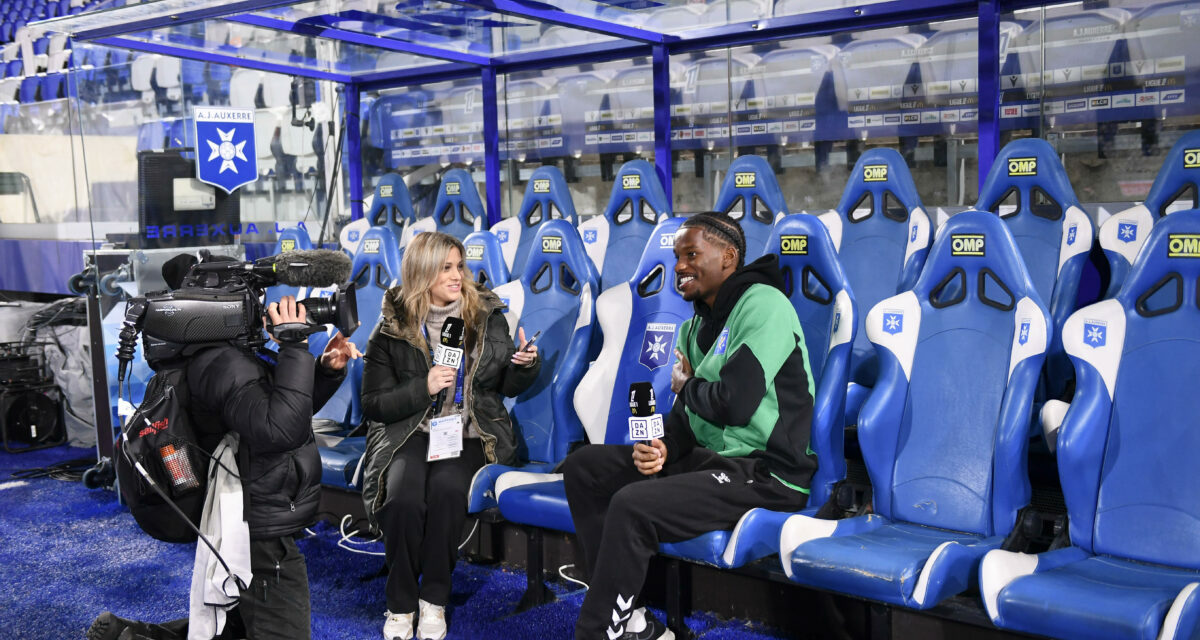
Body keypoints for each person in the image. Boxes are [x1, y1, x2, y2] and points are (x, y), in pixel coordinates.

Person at [563, 211, 816, 640]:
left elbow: (735, 404)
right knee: (584, 467)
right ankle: (635, 621)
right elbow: (686, 419)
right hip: (711, 463)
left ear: (728, 256)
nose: (679, 266)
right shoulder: (694, 325)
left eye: (692, 254)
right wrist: (664, 446)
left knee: (632, 504)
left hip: (767, 474)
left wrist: (687, 385)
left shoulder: (765, 305)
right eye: (677, 256)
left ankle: (595, 633)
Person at [89, 291, 361, 640]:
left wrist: (323, 372)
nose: (261, 306)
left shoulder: (225, 358)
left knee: (235, 624)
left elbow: (277, 415)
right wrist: (295, 346)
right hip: (255, 523)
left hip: (249, 509)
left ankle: (134, 635)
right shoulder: (225, 364)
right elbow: (280, 429)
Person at [360, 231, 540, 640]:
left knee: (445, 492)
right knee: (403, 499)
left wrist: (525, 365)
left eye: (459, 266)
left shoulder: (487, 315)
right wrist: (422, 387)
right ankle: (400, 603)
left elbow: (504, 385)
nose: (457, 276)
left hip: (470, 432)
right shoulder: (391, 327)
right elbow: (373, 402)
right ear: (422, 272)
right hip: (411, 431)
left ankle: (434, 599)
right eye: (445, 268)